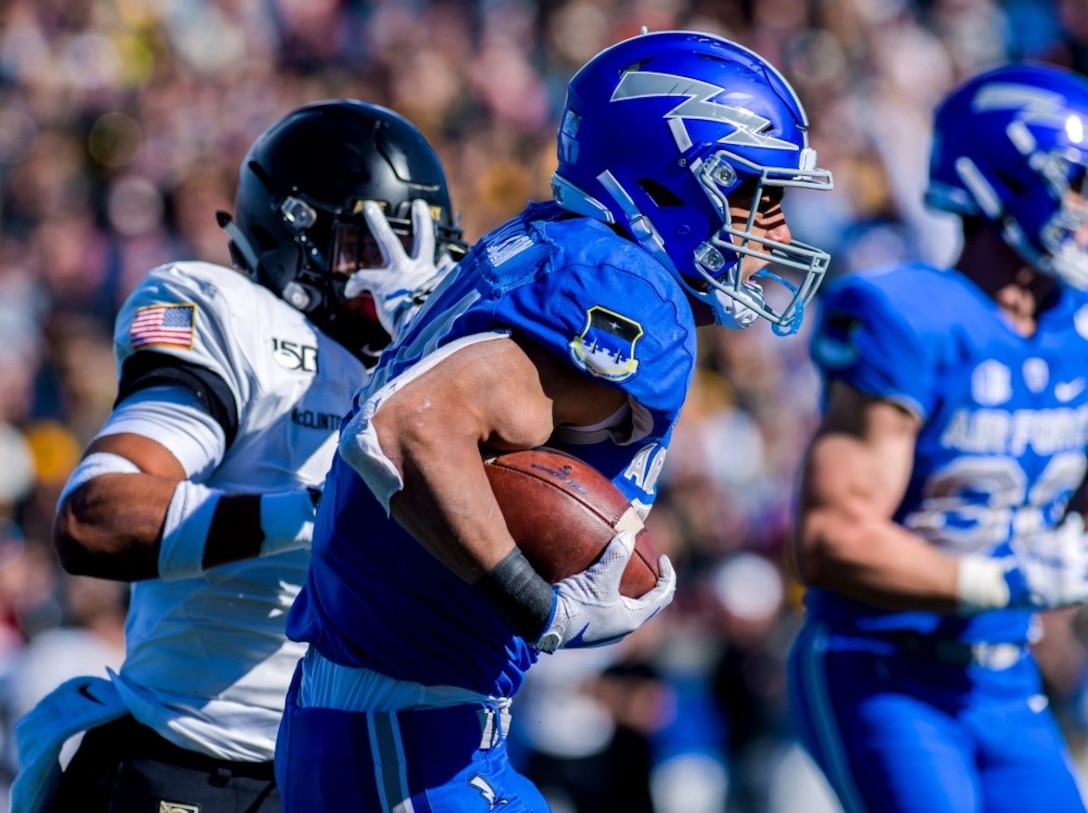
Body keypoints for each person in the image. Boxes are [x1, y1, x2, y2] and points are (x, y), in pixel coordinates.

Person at [275, 29, 835, 811]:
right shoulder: (631, 288)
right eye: (755, 195)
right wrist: (540, 607)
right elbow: (407, 427)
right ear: (672, 180)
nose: (775, 231)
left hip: (394, 721)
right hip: (411, 739)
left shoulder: (549, 244)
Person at [9, 99, 467, 813]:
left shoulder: (437, 365)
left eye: (422, 247)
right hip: (194, 767)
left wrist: (439, 359)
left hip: (358, 779)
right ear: (294, 239)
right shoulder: (239, 320)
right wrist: (323, 513)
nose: (399, 272)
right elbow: (96, 515)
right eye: (369, 243)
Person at [787, 62, 1088, 813]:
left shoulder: (1077, 327)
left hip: (1007, 678)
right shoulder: (909, 314)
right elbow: (831, 536)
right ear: (1003, 182)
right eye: (1079, 182)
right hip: (884, 665)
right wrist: (1000, 580)